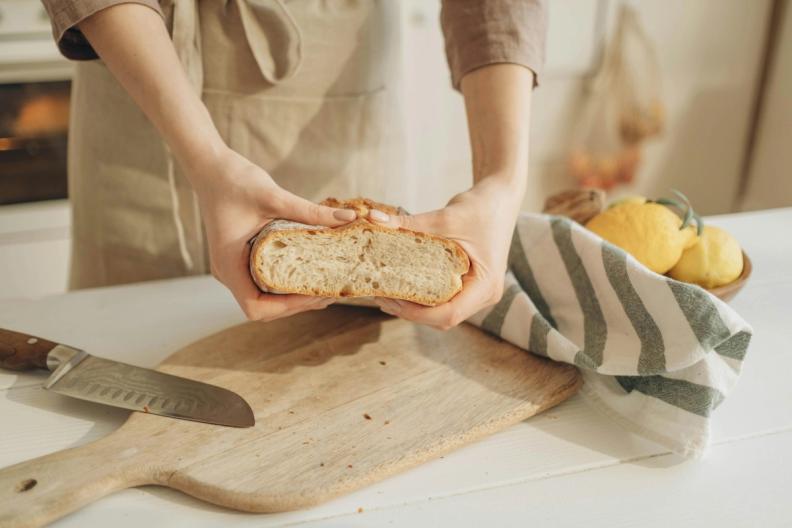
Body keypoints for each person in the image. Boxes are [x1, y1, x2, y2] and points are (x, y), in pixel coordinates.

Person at [42, 0, 546, 330]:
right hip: (137, 61)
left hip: (330, 81)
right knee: (127, 339)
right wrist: (204, 156)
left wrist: (502, 182)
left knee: (342, 360)